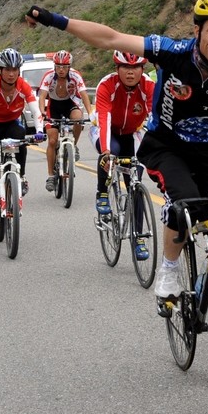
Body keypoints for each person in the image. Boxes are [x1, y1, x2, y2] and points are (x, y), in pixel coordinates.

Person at [27, 0, 208, 358]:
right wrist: (55, 20)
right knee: (184, 204)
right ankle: (168, 268)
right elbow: (110, 38)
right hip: (167, 146)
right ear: (197, 31)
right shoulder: (172, 52)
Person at [89, 50, 156, 260]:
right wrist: (106, 152)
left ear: (142, 69)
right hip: (105, 130)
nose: (130, 72)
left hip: (132, 132)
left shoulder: (148, 86)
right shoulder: (107, 84)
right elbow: (104, 119)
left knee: (135, 183)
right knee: (112, 153)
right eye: (125, 67)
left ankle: (139, 238)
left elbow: (155, 119)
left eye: (135, 67)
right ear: (117, 68)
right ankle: (102, 193)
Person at [0, 48, 45, 233]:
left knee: (21, 137)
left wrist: (39, 131)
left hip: (12, 124)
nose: (12, 74)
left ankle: (22, 177)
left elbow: (36, 111)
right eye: (7, 69)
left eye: (15, 69)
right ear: (0, 70)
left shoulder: (23, 86)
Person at [37, 49, 93, 192]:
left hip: (69, 103)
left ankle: (74, 146)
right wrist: (42, 112)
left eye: (64, 67)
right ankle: (51, 175)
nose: (61, 70)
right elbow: (42, 96)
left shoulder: (75, 75)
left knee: (78, 118)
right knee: (52, 141)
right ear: (54, 66)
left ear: (69, 67)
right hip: (53, 106)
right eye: (58, 66)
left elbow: (84, 95)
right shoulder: (49, 76)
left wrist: (91, 113)